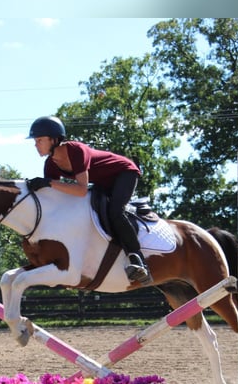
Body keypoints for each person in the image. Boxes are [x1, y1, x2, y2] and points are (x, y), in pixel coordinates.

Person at [26, 115, 151, 283]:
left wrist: (49, 183)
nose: (36, 145)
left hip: (124, 173)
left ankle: (138, 260)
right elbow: (55, 197)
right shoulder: (50, 164)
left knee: (115, 211)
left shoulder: (76, 150)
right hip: (102, 182)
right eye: (35, 141)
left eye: (39, 140)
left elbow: (81, 190)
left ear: (54, 139)